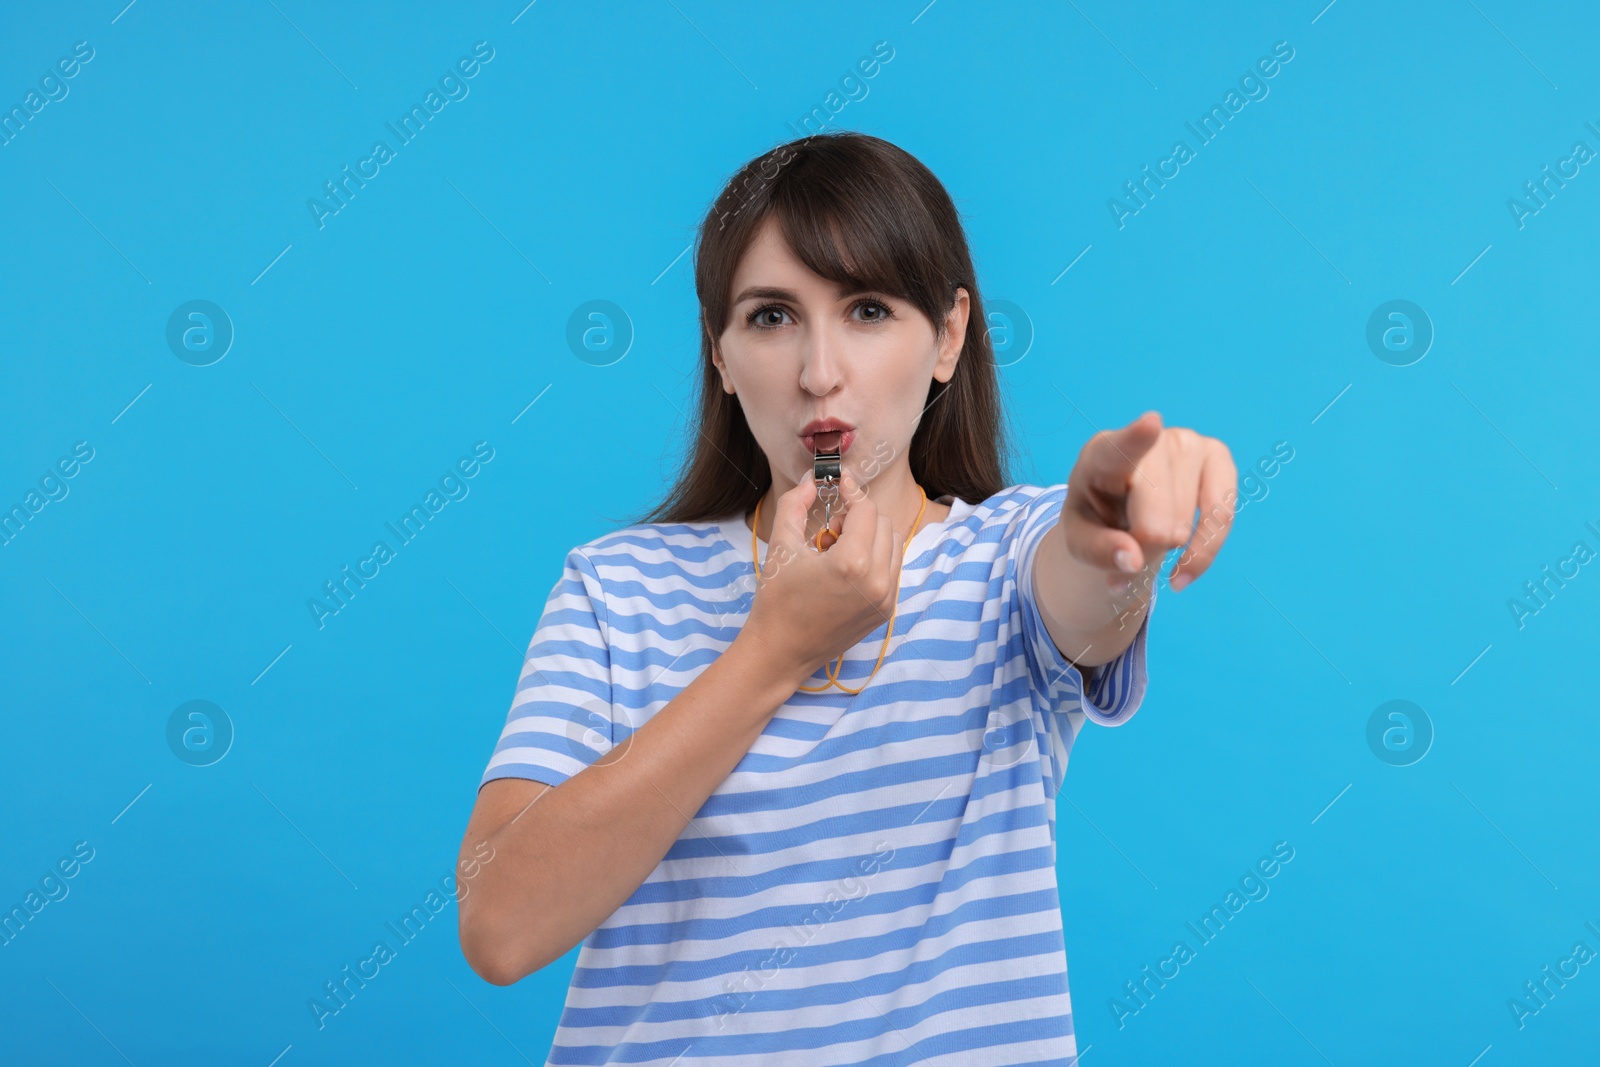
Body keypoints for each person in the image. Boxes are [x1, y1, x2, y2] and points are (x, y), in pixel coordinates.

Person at [456, 131, 1237, 1065]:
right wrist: (773, 650)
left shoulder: (1002, 559)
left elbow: (1083, 588)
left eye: (868, 310)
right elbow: (500, 926)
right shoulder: (617, 588)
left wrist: (1118, 536)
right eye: (772, 316)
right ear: (719, 353)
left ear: (948, 337)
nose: (819, 371)